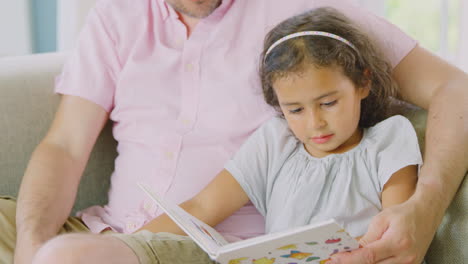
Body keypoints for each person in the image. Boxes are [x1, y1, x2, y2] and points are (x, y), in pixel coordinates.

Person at [0, 0, 465, 263]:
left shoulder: (306, 17)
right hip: (100, 228)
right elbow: (64, 146)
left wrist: (424, 209)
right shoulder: (115, 16)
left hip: (205, 249)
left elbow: (454, 87)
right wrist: (30, 243)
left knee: (66, 260)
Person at [127, 8, 424, 264]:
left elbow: (394, 230)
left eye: (329, 103)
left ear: (363, 83)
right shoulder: (275, 140)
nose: (315, 123)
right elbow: (202, 207)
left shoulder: (388, 140)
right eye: (295, 110)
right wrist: (129, 245)